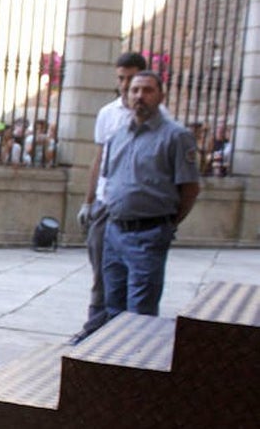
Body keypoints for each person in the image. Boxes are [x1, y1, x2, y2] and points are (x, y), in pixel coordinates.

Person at [101, 70, 199, 319]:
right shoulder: (117, 136)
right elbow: (109, 178)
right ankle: (111, 356)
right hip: (114, 231)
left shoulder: (176, 136)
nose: (140, 96)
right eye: (135, 90)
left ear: (160, 96)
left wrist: (168, 224)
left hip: (148, 233)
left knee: (140, 313)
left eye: (147, 90)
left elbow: (189, 188)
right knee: (112, 306)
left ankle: (136, 357)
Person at [71, 52, 151, 344]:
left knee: (138, 277)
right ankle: (95, 325)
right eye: (122, 79)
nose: (127, 85)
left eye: (132, 78)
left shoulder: (159, 121)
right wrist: (88, 200)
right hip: (107, 202)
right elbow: (99, 159)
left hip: (140, 208)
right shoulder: (109, 114)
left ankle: (131, 333)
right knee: (102, 268)